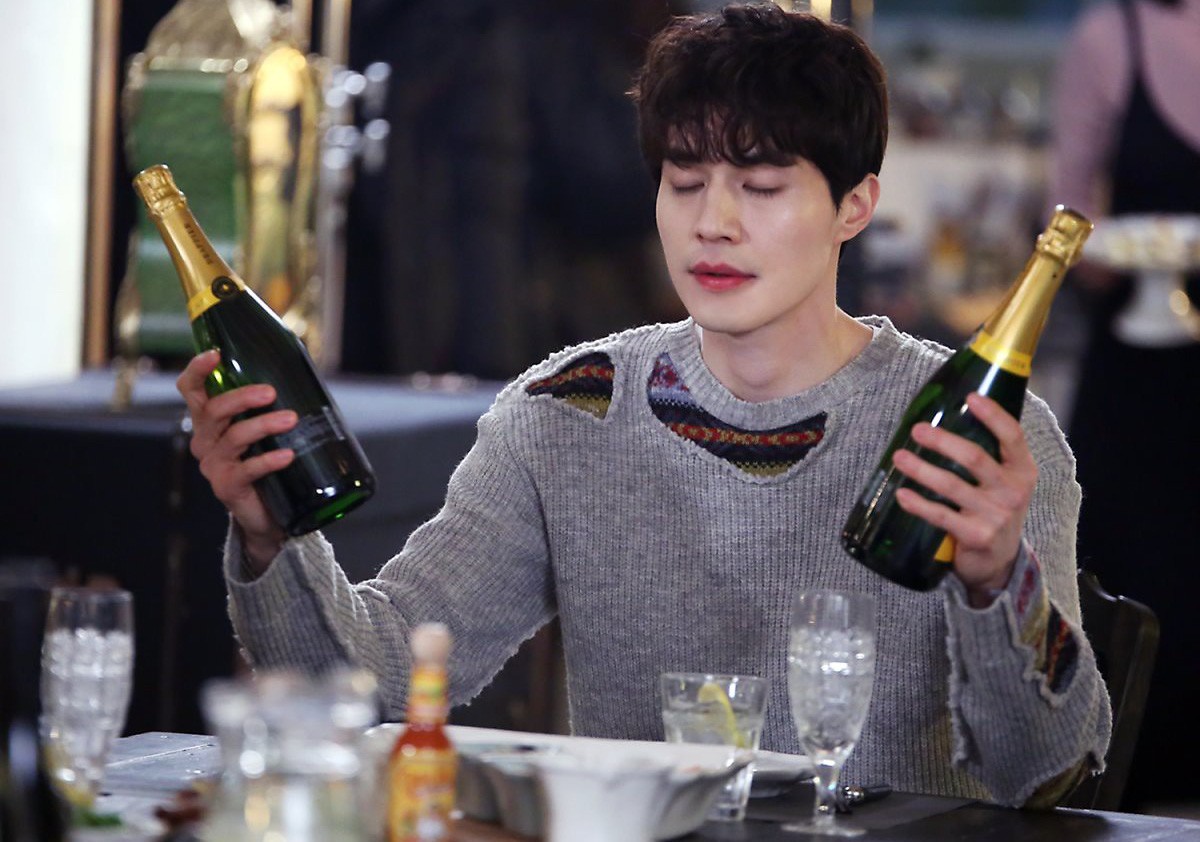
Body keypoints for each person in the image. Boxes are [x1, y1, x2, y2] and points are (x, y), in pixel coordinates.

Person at [178, 4, 1110, 807]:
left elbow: (1049, 776)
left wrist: (997, 582)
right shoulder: (571, 413)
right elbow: (375, 684)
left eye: (761, 187)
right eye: (685, 182)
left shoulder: (981, 437)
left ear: (855, 207)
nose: (714, 224)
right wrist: (270, 538)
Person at [1050, 0, 1200, 811]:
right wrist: (1130, 250)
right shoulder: (1111, 36)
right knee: (1142, 585)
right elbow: (1070, 222)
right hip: (1139, 385)